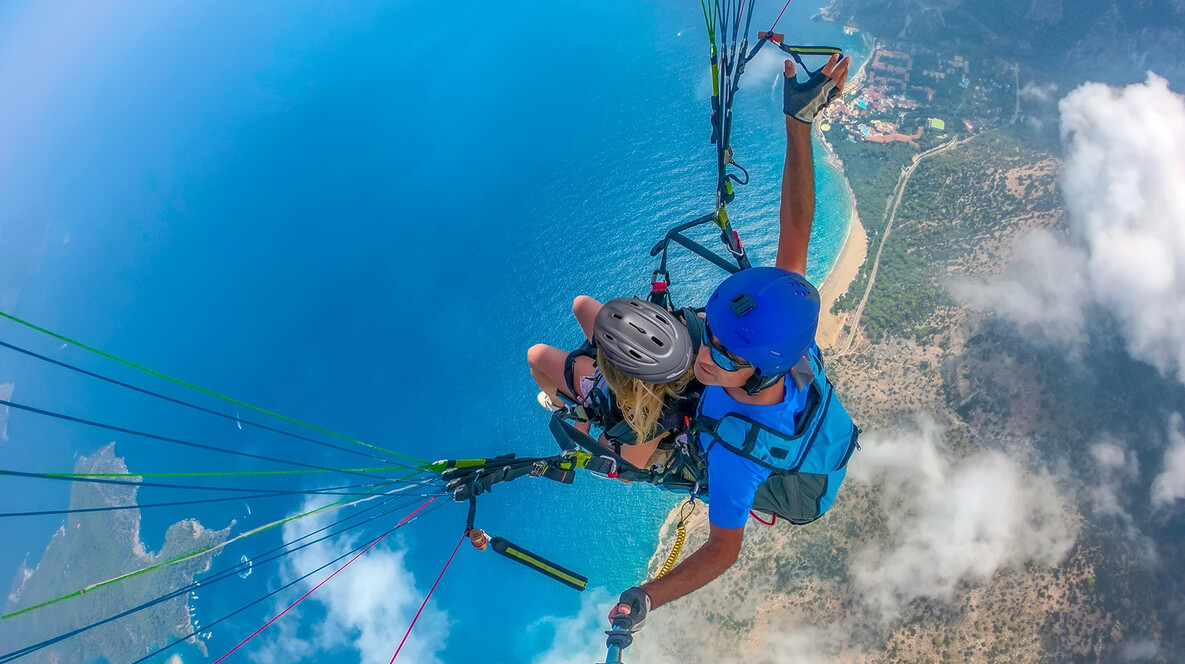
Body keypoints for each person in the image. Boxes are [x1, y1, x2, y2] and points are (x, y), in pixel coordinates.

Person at [609, 53, 853, 632]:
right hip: (725, 408)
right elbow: (797, 227)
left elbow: (722, 550)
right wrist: (800, 124)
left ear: (762, 372)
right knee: (597, 322)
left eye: (719, 352)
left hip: (713, 438)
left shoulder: (739, 460)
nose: (703, 353)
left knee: (624, 453)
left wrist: (647, 596)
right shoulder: (786, 343)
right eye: (710, 337)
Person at [527, 296, 698, 470]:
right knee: (581, 304)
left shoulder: (647, 423)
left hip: (621, 392)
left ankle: (558, 404)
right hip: (644, 375)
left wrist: (600, 441)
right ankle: (563, 401)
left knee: (536, 356)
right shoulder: (691, 354)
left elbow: (629, 471)